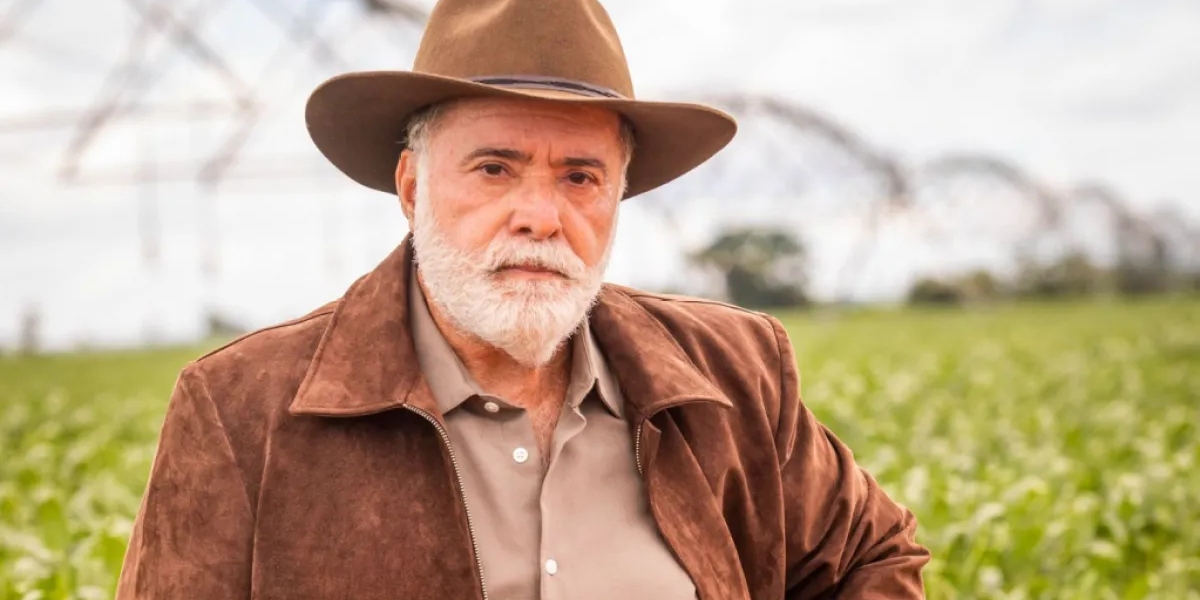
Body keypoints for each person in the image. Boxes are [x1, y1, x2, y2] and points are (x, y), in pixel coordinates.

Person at [115, 0, 930, 598]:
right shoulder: (240, 410)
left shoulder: (734, 372)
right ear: (411, 186)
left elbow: (873, 557)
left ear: (617, 196)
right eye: (495, 169)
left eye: (581, 177)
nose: (541, 217)